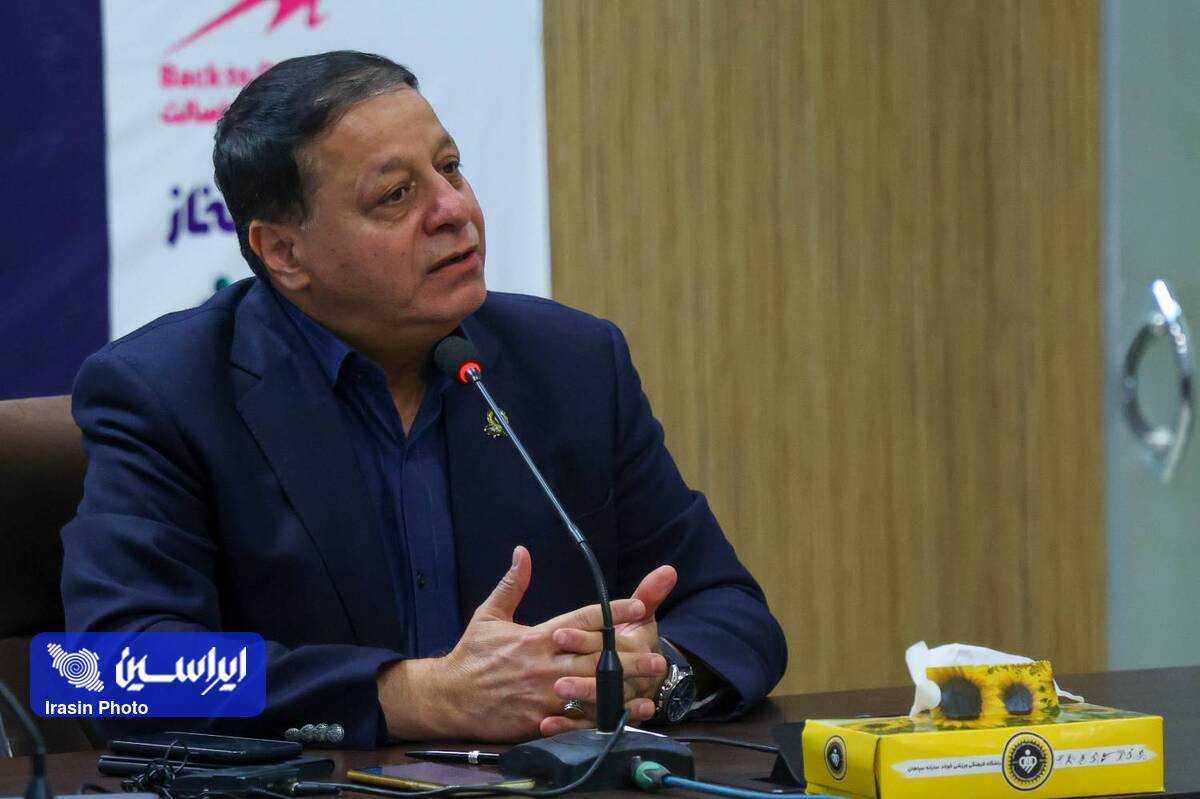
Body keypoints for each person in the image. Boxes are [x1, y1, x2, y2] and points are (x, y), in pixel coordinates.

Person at [61, 51, 787, 748]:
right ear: (283, 252)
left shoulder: (573, 363)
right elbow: (106, 674)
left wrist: (649, 677)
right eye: (396, 196)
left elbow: (731, 611)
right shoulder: (167, 393)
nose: (454, 209)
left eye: (450, 167)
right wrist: (414, 696)